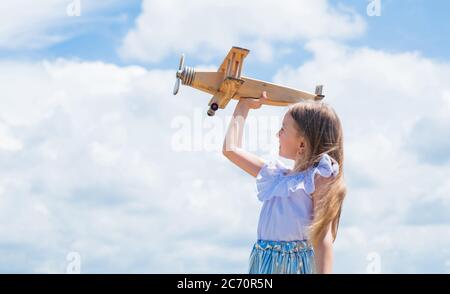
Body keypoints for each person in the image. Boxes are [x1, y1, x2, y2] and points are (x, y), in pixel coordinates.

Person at [222, 91, 346, 274]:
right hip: (263, 265)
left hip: (296, 268)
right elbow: (230, 149)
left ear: (302, 144)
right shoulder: (275, 176)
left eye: (283, 129)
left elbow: (323, 237)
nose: (277, 134)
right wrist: (244, 105)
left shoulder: (319, 178)